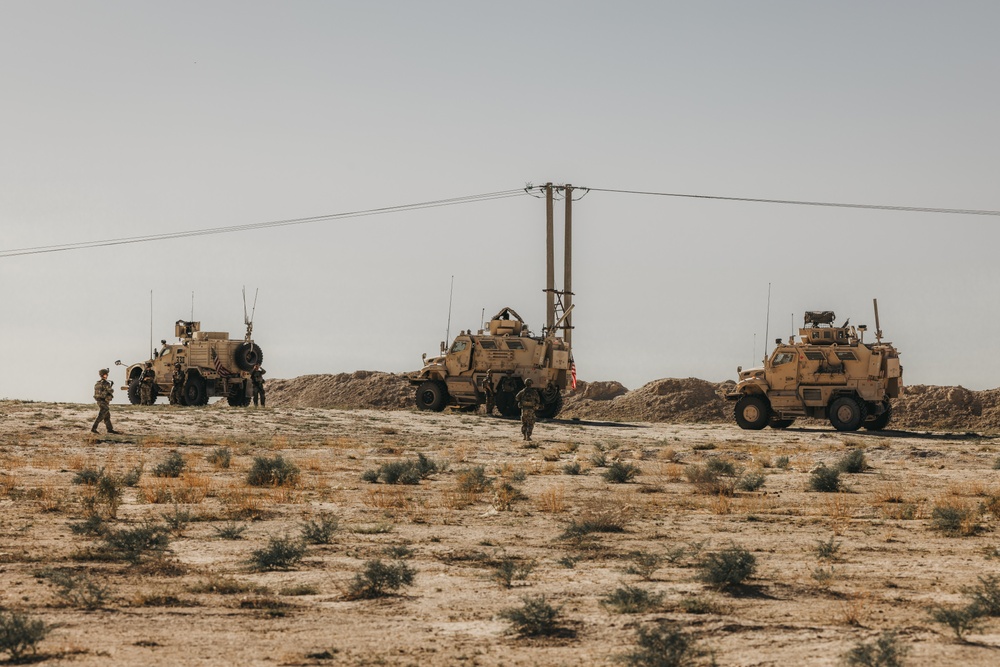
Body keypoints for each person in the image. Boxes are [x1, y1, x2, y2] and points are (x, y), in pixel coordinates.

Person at [92, 368, 119, 434]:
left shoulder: (97, 383)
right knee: (101, 415)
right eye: (106, 374)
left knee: (107, 416)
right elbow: (110, 391)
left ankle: (109, 429)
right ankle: (93, 428)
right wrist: (110, 386)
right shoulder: (106, 383)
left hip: (99, 401)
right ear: (104, 375)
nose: (107, 375)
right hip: (103, 401)